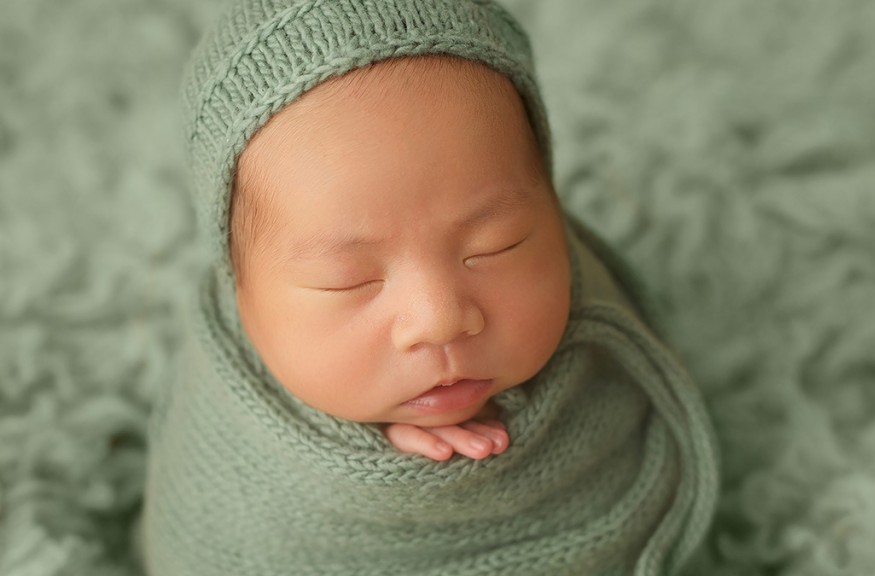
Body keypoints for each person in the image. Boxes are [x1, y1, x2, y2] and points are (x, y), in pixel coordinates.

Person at [142, 1, 719, 574]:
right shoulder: (235, 478)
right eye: (351, 280)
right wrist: (366, 459)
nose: (439, 318)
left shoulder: (597, 337)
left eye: (496, 246)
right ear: (241, 293)